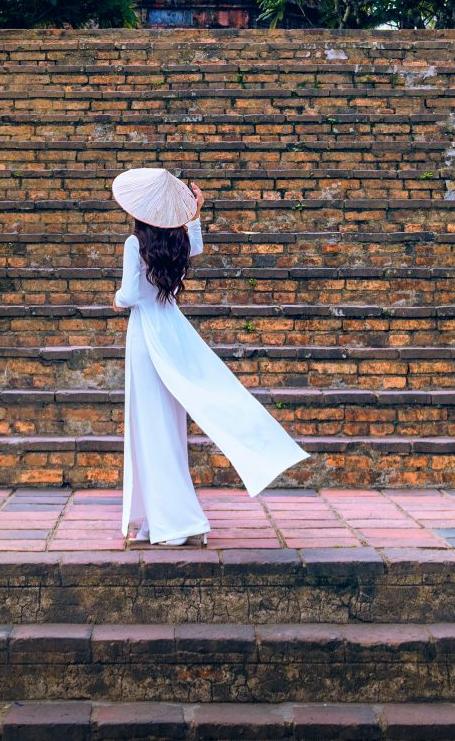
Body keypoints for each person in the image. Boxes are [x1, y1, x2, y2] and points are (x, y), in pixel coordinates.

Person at [110, 165, 310, 546]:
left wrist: (115, 300)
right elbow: (196, 247)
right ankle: (160, 519)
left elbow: (130, 295)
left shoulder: (135, 243)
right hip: (173, 333)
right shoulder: (175, 241)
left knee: (149, 425)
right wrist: (195, 215)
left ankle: (176, 522)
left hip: (146, 336)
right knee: (166, 425)